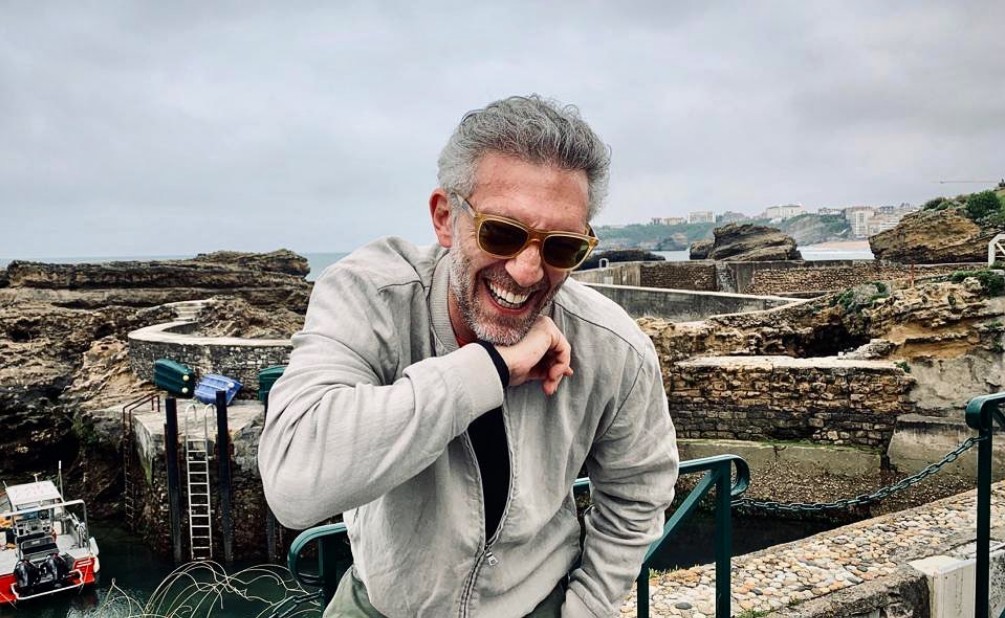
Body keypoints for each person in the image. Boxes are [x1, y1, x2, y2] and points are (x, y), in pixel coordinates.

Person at [258, 95, 679, 617]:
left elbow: (638, 491)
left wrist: (588, 607)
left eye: (561, 247)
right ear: (444, 218)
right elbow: (293, 481)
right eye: (501, 233)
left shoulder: (613, 346)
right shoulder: (371, 298)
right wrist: (491, 369)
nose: (527, 271)